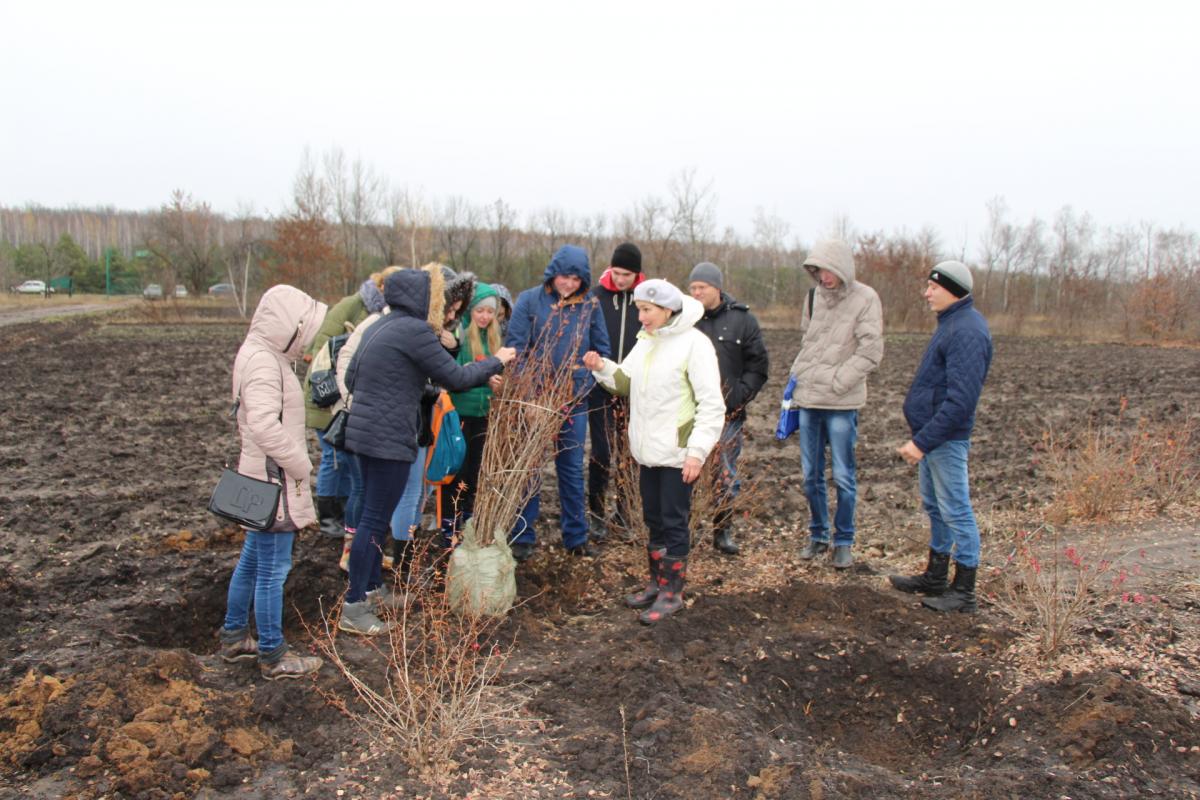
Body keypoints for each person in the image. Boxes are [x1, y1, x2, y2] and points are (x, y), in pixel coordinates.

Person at [339, 268, 514, 636]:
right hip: (388, 440)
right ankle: (354, 606)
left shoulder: (378, 326)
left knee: (374, 517)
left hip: (362, 435)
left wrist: (408, 388)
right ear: (423, 299)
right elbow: (458, 377)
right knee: (374, 520)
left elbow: (354, 375)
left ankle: (371, 589)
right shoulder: (415, 330)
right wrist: (496, 360)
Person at [584, 279, 724, 624]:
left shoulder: (695, 344)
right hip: (648, 451)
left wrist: (697, 452)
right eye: (638, 310)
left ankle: (672, 593)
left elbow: (712, 404)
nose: (640, 317)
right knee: (654, 519)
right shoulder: (646, 342)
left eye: (646, 311)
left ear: (666, 309)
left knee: (674, 521)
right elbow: (626, 382)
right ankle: (657, 583)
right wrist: (602, 367)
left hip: (679, 453)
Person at [219, 284, 327, 680]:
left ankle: (233, 636)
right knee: (273, 570)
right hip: (273, 481)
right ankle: (272, 653)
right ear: (289, 327)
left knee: (252, 560)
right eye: (304, 332)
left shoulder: (259, 353)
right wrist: (300, 464)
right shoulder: (266, 363)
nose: (306, 343)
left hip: (259, 474)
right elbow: (264, 423)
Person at [890, 261, 993, 613]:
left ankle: (964, 591)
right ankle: (935, 577)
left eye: (934, 287)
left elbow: (961, 401)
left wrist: (922, 441)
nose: (926, 292)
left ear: (953, 289)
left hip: (943, 439)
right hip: (932, 436)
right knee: (936, 507)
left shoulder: (967, 331)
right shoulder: (952, 324)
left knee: (956, 510)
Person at [505, 244, 611, 561]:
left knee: (571, 470)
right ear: (554, 274)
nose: (569, 284)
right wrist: (530, 396)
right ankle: (523, 536)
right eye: (565, 276)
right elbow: (516, 351)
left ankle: (576, 537)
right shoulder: (529, 300)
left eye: (576, 279)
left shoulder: (590, 305)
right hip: (536, 402)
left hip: (573, 401)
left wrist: (587, 376)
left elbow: (601, 352)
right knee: (529, 469)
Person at [788, 239, 883, 569]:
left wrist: (839, 381)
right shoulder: (813, 298)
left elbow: (871, 351)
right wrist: (798, 379)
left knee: (843, 476)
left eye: (828, 270)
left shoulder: (866, 299)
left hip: (842, 403)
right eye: (818, 270)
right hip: (809, 400)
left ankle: (843, 541)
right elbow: (808, 341)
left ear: (843, 268)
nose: (823, 277)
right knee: (810, 475)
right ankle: (818, 535)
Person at [687, 261, 770, 555]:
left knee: (724, 475)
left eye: (702, 288)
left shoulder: (742, 320)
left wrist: (738, 397)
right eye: (693, 287)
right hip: (690, 413)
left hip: (728, 415)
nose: (696, 293)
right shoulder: (685, 319)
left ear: (717, 288)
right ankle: (686, 529)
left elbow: (758, 365)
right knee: (688, 472)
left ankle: (722, 532)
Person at [303, 277, 387, 539]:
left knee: (349, 463)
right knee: (333, 457)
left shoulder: (380, 314)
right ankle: (328, 518)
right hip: (327, 398)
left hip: (344, 396)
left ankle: (344, 513)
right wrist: (334, 389)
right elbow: (321, 347)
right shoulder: (353, 305)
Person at [587, 242, 646, 540]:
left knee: (629, 451)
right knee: (601, 451)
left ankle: (624, 513)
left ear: (637, 274)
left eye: (627, 274)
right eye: (617, 273)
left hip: (634, 388)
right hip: (600, 386)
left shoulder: (646, 299)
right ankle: (596, 513)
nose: (621, 279)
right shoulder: (596, 298)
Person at [442, 282, 505, 544]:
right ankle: (448, 523)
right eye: (480, 310)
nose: (485, 316)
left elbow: (495, 371)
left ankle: (467, 519)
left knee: (475, 471)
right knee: (457, 469)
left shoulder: (493, 337)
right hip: (460, 412)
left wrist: (497, 382)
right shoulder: (459, 335)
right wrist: (479, 376)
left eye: (490, 312)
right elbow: (453, 374)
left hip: (483, 413)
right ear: (471, 310)